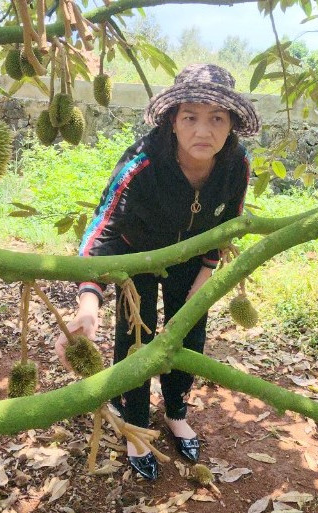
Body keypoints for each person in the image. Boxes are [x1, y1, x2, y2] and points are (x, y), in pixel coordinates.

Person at [53, 63, 259, 480]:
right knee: (136, 337)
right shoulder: (142, 163)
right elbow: (103, 230)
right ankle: (135, 423)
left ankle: (176, 412)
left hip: (192, 259)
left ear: (232, 126)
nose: (204, 131)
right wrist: (88, 303)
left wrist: (202, 283)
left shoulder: (236, 165)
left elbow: (227, 226)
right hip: (137, 256)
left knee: (189, 334)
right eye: (191, 117)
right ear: (173, 121)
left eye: (217, 119)